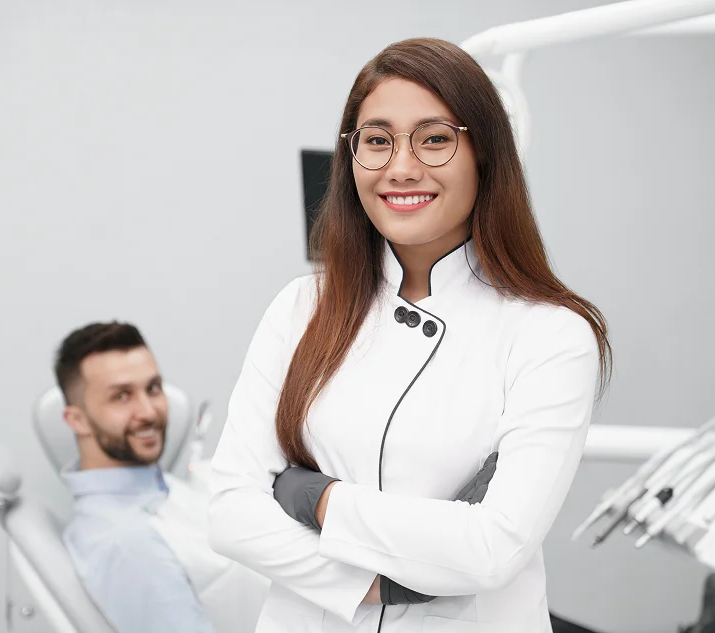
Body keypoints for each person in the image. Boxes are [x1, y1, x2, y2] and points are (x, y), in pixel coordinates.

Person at [205, 36, 613, 633]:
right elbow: (230, 514)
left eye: (435, 138)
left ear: (486, 155)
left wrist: (310, 498)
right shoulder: (300, 309)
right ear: (351, 158)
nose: (400, 167)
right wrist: (373, 585)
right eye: (376, 140)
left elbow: (492, 546)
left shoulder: (550, 334)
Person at [54, 321, 218, 633]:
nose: (148, 412)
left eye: (153, 389)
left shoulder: (152, 489)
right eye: (121, 396)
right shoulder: (129, 546)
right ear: (78, 420)